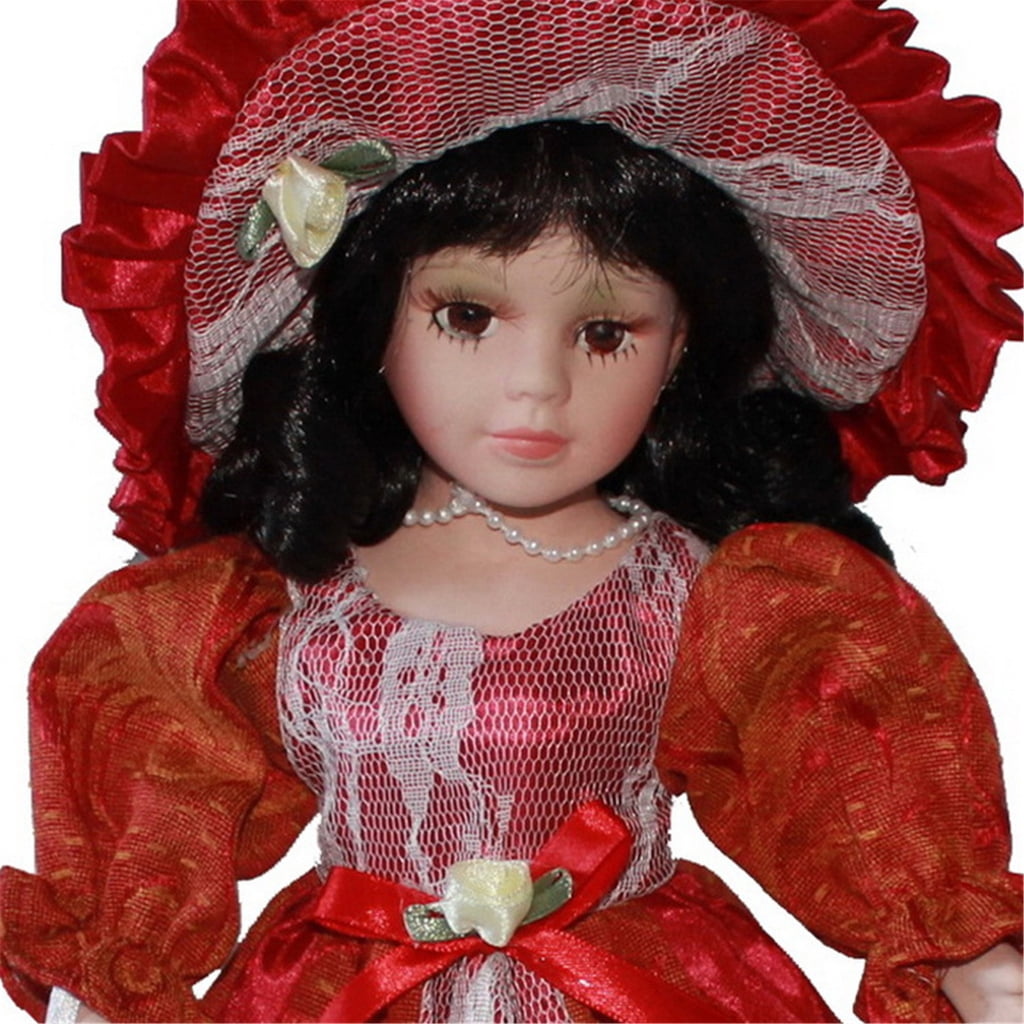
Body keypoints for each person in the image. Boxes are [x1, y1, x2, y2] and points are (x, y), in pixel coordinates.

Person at [0, 2, 1020, 1022]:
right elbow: (161, 791)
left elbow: (846, 770)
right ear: (369, 323)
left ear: (680, 349)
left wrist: (966, 953)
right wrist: (110, 973)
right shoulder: (274, 604)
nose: (537, 384)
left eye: (606, 332)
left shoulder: (725, 594)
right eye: (467, 315)